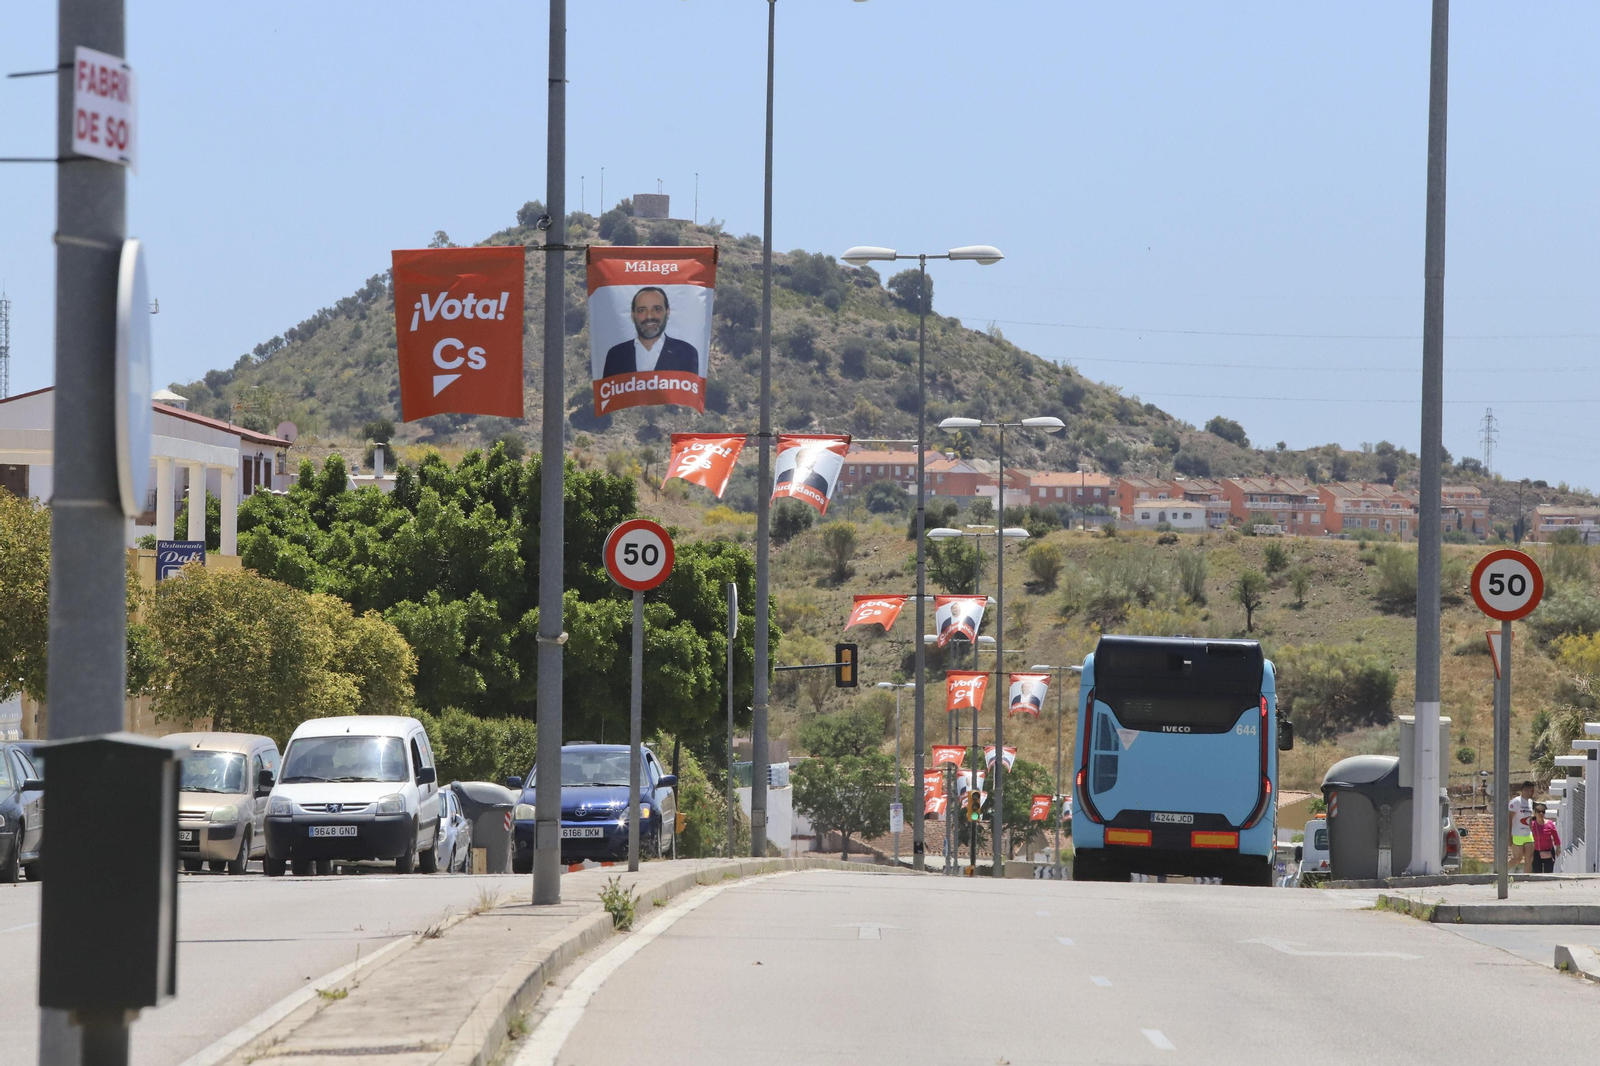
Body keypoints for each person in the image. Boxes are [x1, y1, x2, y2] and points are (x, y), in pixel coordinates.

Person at [601, 287, 700, 377]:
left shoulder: (687, 353)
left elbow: (689, 396)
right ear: (632, 315)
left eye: (657, 309)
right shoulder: (615, 355)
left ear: (667, 312)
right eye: (642, 310)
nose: (649, 316)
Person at [1508, 780, 1536, 873]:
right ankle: (1500, 873)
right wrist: (1509, 836)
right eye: (1531, 790)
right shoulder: (1516, 802)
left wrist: (1532, 831)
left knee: (1530, 858)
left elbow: (1530, 818)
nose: (1532, 793)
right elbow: (1509, 819)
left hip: (1528, 834)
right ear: (1524, 790)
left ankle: (1527, 878)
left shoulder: (1530, 802)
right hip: (1517, 834)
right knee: (1517, 859)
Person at [1530, 803, 1561, 874]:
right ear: (1535, 813)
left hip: (1548, 851)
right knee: (1537, 872)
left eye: (1543, 812)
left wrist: (1558, 848)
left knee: (1548, 872)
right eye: (1539, 812)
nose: (1541, 814)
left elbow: (1555, 836)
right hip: (1536, 852)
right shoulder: (1532, 824)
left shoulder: (1549, 824)